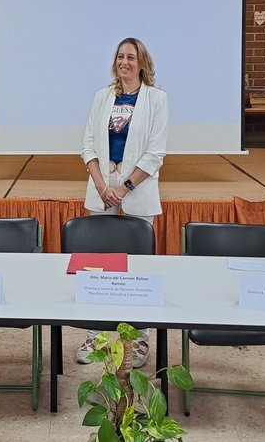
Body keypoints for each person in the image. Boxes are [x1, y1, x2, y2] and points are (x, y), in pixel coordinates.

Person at [77, 37, 170, 368]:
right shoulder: (102, 97)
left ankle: (137, 339)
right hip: (102, 190)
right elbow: (88, 144)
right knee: (96, 266)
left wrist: (125, 187)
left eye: (131, 57)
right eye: (120, 56)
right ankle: (95, 335)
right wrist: (103, 185)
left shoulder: (156, 99)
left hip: (137, 193)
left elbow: (155, 153)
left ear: (142, 63)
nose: (125, 62)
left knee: (138, 268)